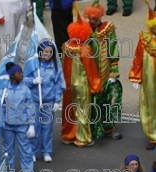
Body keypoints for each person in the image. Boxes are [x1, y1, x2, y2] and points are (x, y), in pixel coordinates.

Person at [60, 3, 102, 147]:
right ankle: (82, 138)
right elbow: (91, 70)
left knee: (69, 109)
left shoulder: (66, 46)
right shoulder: (85, 49)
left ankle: (68, 135)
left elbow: (63, 66)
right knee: (82, 110)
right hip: (82, 84)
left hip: (68, 84)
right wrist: (96, 85)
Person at [83, 0, 122, 140]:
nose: (92, 21)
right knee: (92, 102)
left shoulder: (108, 29)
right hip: (90, 72)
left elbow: (113, 49)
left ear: (100, 17)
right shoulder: (85, 29)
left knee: (106, 100)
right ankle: (92, 129)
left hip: (105, 72)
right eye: (90, 18)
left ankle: (108, 127)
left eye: (94, 18)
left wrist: (114, 71)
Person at [24, 41, 65, 163]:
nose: (48, 54)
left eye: (50, 52)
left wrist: (57, 100)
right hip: (34, 101)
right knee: (34, 127)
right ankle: (32, 152)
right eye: (46, 51)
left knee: (47, 128)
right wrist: (33, 81)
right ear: (40, 52)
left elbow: (59, 84)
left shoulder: (55, 65)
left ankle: (47, 152)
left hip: (49, 101)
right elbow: (23, 80)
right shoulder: (33, 65)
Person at [0, 62, 34, 172]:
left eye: (21, 72)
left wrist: (32, 124)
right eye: (19, 73)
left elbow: (29, 107)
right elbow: (0, 107)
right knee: (7, 152)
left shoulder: (25, 89)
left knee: (25, 150)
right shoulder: (4, 89)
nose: (21, 75)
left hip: (22, 125)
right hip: (7, 126)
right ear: (12, 75)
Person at [129, 3, 156, 150]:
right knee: (149, 106)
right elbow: (138, 58)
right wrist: (136, 76)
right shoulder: (144, 39)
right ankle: (153, 137)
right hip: (149, 80)